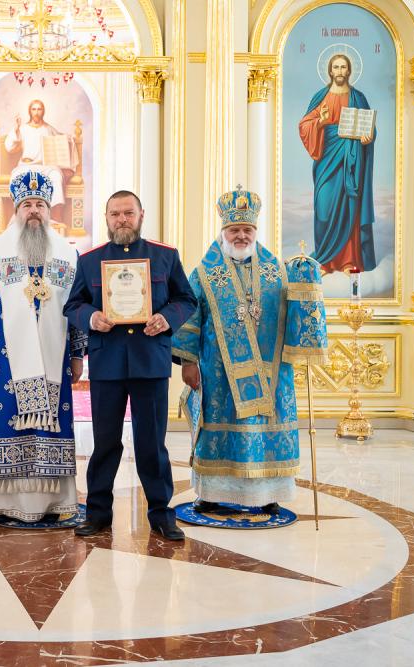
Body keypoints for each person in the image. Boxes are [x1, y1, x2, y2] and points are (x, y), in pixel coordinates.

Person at [0, 171, 85, 522]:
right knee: (8, 421)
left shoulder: (69, 255)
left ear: (49, 210)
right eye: (27, 205)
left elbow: (78, 305)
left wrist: (78, 353)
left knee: (53, 424)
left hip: (55, 361)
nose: (34, 210)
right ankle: (8, 503)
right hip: (6, 362)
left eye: (40, 204)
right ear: (16, 210)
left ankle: (56, 502)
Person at [64, 190, 197, 540]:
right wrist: (91, 317)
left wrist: (166, 319)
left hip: (150, 361)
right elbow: (72, 305)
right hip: (107, 362)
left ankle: (161, 514)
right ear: (106, 219)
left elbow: (186, 299)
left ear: (141, 215)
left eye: (128, 213)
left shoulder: (165, 255)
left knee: (152, 443)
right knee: (105, 443)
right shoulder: (90, 260)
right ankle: (97, 514)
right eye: (115, 214)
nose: (121, 220)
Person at [171, 186, 301, 514]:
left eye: (247, 230)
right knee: (218, 426)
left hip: (271, 370)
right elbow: (189, 317)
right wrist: (188, 362)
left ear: (255, 232)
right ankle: (212, 493)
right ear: (224, 232)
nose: (241, 236)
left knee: (263, 427)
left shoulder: (277, 271)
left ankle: (267, 492)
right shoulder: (205, 273)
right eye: (235, 230)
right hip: (218, 372)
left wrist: (307, 288)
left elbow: (295, 314)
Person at [298, 53, 377, 274]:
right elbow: (305, 125)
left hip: (351, 161)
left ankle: (348, 261)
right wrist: (321, 122)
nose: (340, 71)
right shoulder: (321, 97)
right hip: (327, 160)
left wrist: (368, 138)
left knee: (349, 208)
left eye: (343, 67)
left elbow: (369, 127)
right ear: (330, 71)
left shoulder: (358, 97)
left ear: (349, 71)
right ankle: (325, 260)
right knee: (324, 208)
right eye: (336, 67)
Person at [5, 99, 76, 212]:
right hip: (25, 166)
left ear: (43, 111)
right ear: (30, 111)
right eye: (34, 109)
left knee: (56, 176)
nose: (36, 112)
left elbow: (61, 138)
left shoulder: (48, 128)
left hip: (46, 167)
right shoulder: (22, 129)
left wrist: (69, 138)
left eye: (39, 109)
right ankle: (22, 214)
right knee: (16, 177)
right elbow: (9, 147)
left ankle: (56, 214)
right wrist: (16, 129)